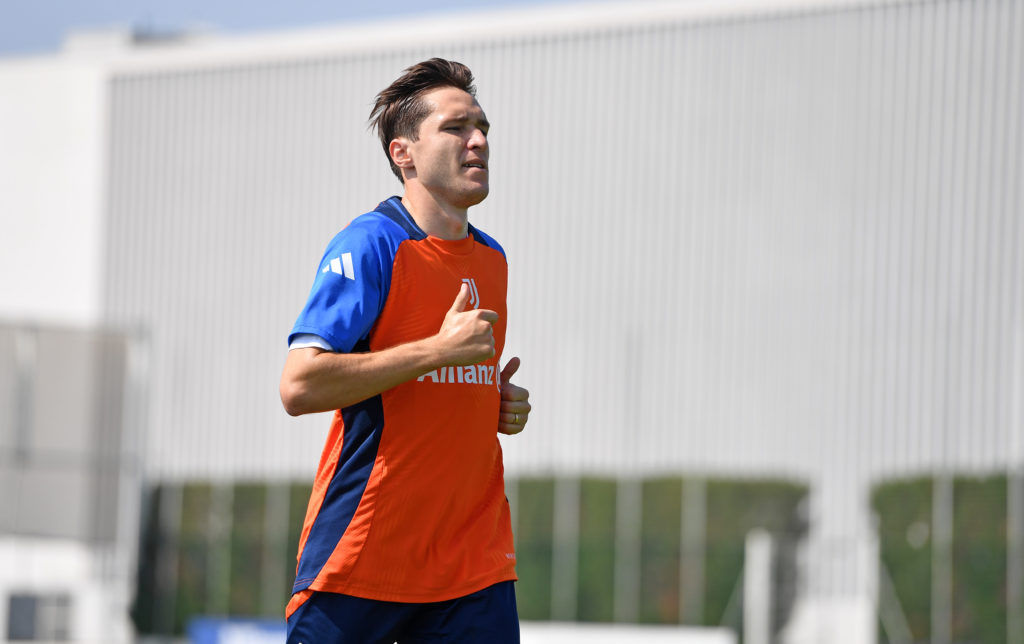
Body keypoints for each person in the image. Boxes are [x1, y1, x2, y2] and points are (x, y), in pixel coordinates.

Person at [279, 58, 531, 643]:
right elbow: (299, 385)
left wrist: (491, 402)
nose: (478, 141)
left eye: (483, 127)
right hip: (364, 563)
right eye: (455, 127)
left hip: (474, 568)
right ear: (404, 154)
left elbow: (434, 388)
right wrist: (436, 352)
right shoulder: (371, 245)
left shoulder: (493, 260)